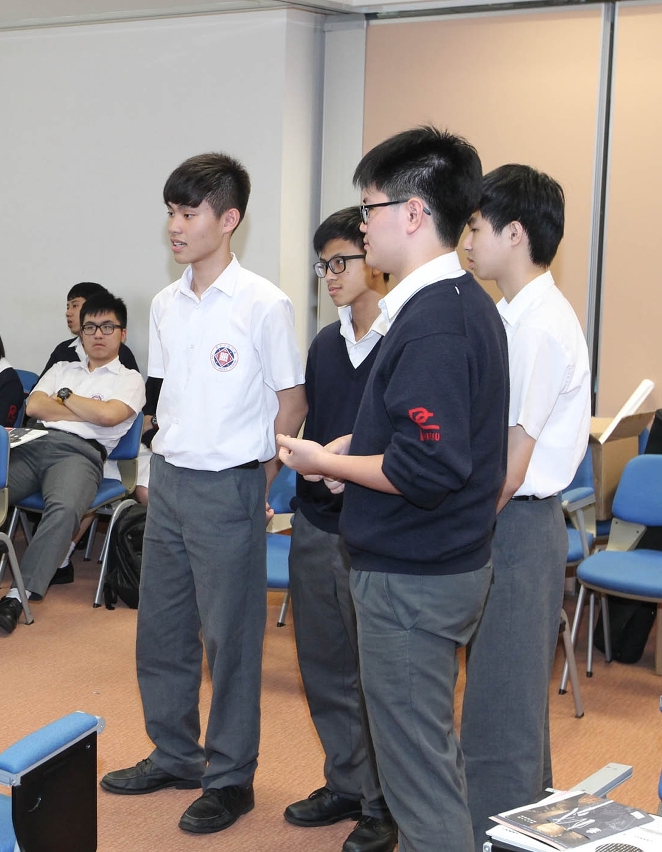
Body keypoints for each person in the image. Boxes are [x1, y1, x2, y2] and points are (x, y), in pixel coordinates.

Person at [277, 126, 508, 852]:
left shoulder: (435, 321)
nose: (361, 225)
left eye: (369, 207)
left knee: (417, 778)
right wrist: (346, 449)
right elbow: (425, 437)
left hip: (413, 579)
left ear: (411, 214)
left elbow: (428, 470)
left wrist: (331, 463)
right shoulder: (453, 305)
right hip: (433, 565)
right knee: (423, 756)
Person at [101, 152, 306, 837]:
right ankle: (174, 753)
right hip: (173, 483)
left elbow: (291, 398)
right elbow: (162, 403)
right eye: (169, 211)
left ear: (228, 220)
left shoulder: (263, 304)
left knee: (230, 640)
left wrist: (263, 478)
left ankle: (228, 778)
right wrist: (153, 479)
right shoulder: (163, 303)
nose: (174, 225)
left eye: (188, 213)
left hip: (231, 487)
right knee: (160, 632)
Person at [460, 164, 591, 849]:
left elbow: (509, 466)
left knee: (500, 708)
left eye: (476, 228)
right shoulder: (511, 314)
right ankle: (521, 830)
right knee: (502, 696)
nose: (466, 242)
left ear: (514, 233)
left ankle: (490, 837)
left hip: (514, 521)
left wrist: (450, 531)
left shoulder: (537, 324)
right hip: (507, 523)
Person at [284, 208, 396, 852]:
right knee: (322, 662)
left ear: (373, 258)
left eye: (339, 262)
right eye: (322, 264)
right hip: (316, 520)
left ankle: (385, 802)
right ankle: (346, 782)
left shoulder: (404, 336)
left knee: (376, 670)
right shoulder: (326, 343)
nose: (328, 275)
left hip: (376, 530)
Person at [0, 291, 145, 633]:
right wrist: (87, 410)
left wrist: (66, 397)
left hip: (81, 455)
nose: (98, 334)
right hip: (34, 443)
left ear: (123, 333)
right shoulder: (62, 367)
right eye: (90, 327)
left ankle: (18, 595)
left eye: (107, 327)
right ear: (81, 333)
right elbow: (34, 408)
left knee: (64, 509)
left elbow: (108, 416)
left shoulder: (130, 380)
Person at [40, 282, 140, 375]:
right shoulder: (62, 350)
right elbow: (37, 390)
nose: (68, 313)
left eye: (75, 305)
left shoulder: (120, 352)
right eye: (67, 307)